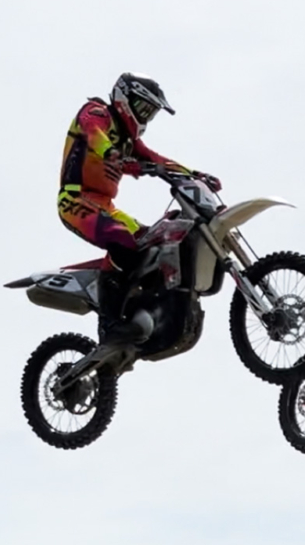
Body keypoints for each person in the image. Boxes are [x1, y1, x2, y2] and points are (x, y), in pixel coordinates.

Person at [58, 72, 222, 345]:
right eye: (143, 108)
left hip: (105, 206)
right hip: (75, 199)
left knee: (153, 243)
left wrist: (195, 174)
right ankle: (109, 324)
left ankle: (141, 307)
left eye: (150, 113)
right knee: (122, 240)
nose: (145, 117)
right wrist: (110, 152)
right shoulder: (97, 112)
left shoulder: (128, 141)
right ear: (125, 98)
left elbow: (157, 159)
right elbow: (93, 131)